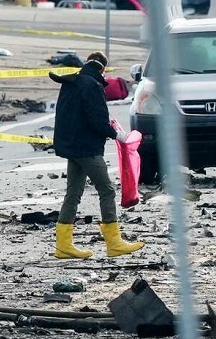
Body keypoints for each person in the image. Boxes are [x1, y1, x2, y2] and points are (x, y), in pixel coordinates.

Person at [50, 52, 145, 259]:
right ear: (102, 68)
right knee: (107, 190)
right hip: (87, 148)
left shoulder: (71, 82)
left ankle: (63, 245)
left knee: (73, 194)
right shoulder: (93, 86)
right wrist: (118, 135)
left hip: (71, 146)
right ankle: (114, 243)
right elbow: (98, 121)